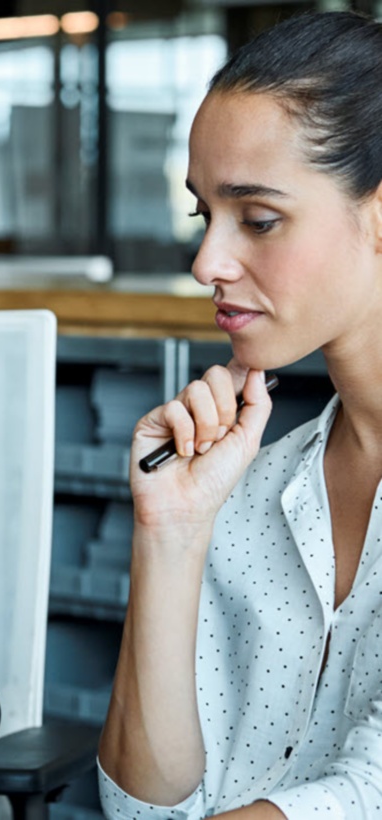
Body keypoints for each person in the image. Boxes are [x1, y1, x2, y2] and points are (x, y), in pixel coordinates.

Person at [98, 10, 382, 820]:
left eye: (258, 219)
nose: (206, 263)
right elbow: (145, 809)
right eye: (204, 216)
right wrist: (171, 535)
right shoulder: (257, 485)